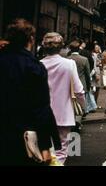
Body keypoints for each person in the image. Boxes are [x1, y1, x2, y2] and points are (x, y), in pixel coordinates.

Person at [0, 19, 61, 166]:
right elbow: (41, 107)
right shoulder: (34, 66)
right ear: (31, 39)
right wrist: (45, 146)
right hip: (24, 135)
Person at [40, 32, 85, 165]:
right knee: (61, 150)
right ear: (61, 47)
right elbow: (79, 90)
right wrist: (83, 106)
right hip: (63, 114)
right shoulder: (69, 64)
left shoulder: (38, 64)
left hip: (43, 113)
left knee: (45, 148)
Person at [67, 41, 93, 114]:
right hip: (82, 84)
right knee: (81, 105)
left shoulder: (67, 59)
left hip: (69, 84)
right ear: (79, 49)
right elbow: (87, 74)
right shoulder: (84, 59)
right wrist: (88, 86)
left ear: (70, 49)